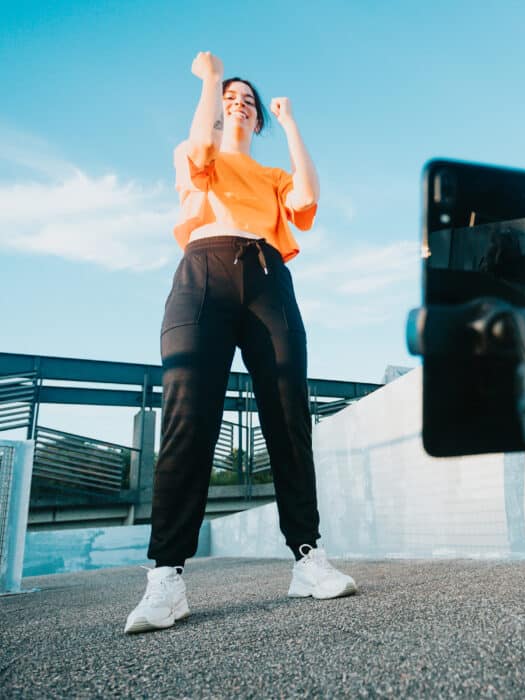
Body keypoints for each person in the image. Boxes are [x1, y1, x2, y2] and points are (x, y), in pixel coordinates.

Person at [125, 51, 357, 634]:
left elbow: (305, 198)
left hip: (267, 276)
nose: (239, 104)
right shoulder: (192, 152)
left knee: (288, 417)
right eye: (232, 99)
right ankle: (166, 579)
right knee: (188, 420)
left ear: (258, 123)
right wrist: (210, 81)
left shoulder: (270, 176)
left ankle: (308, 559)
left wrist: (292, 121)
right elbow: (201, 147)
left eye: (248, 103)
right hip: (203, 273)